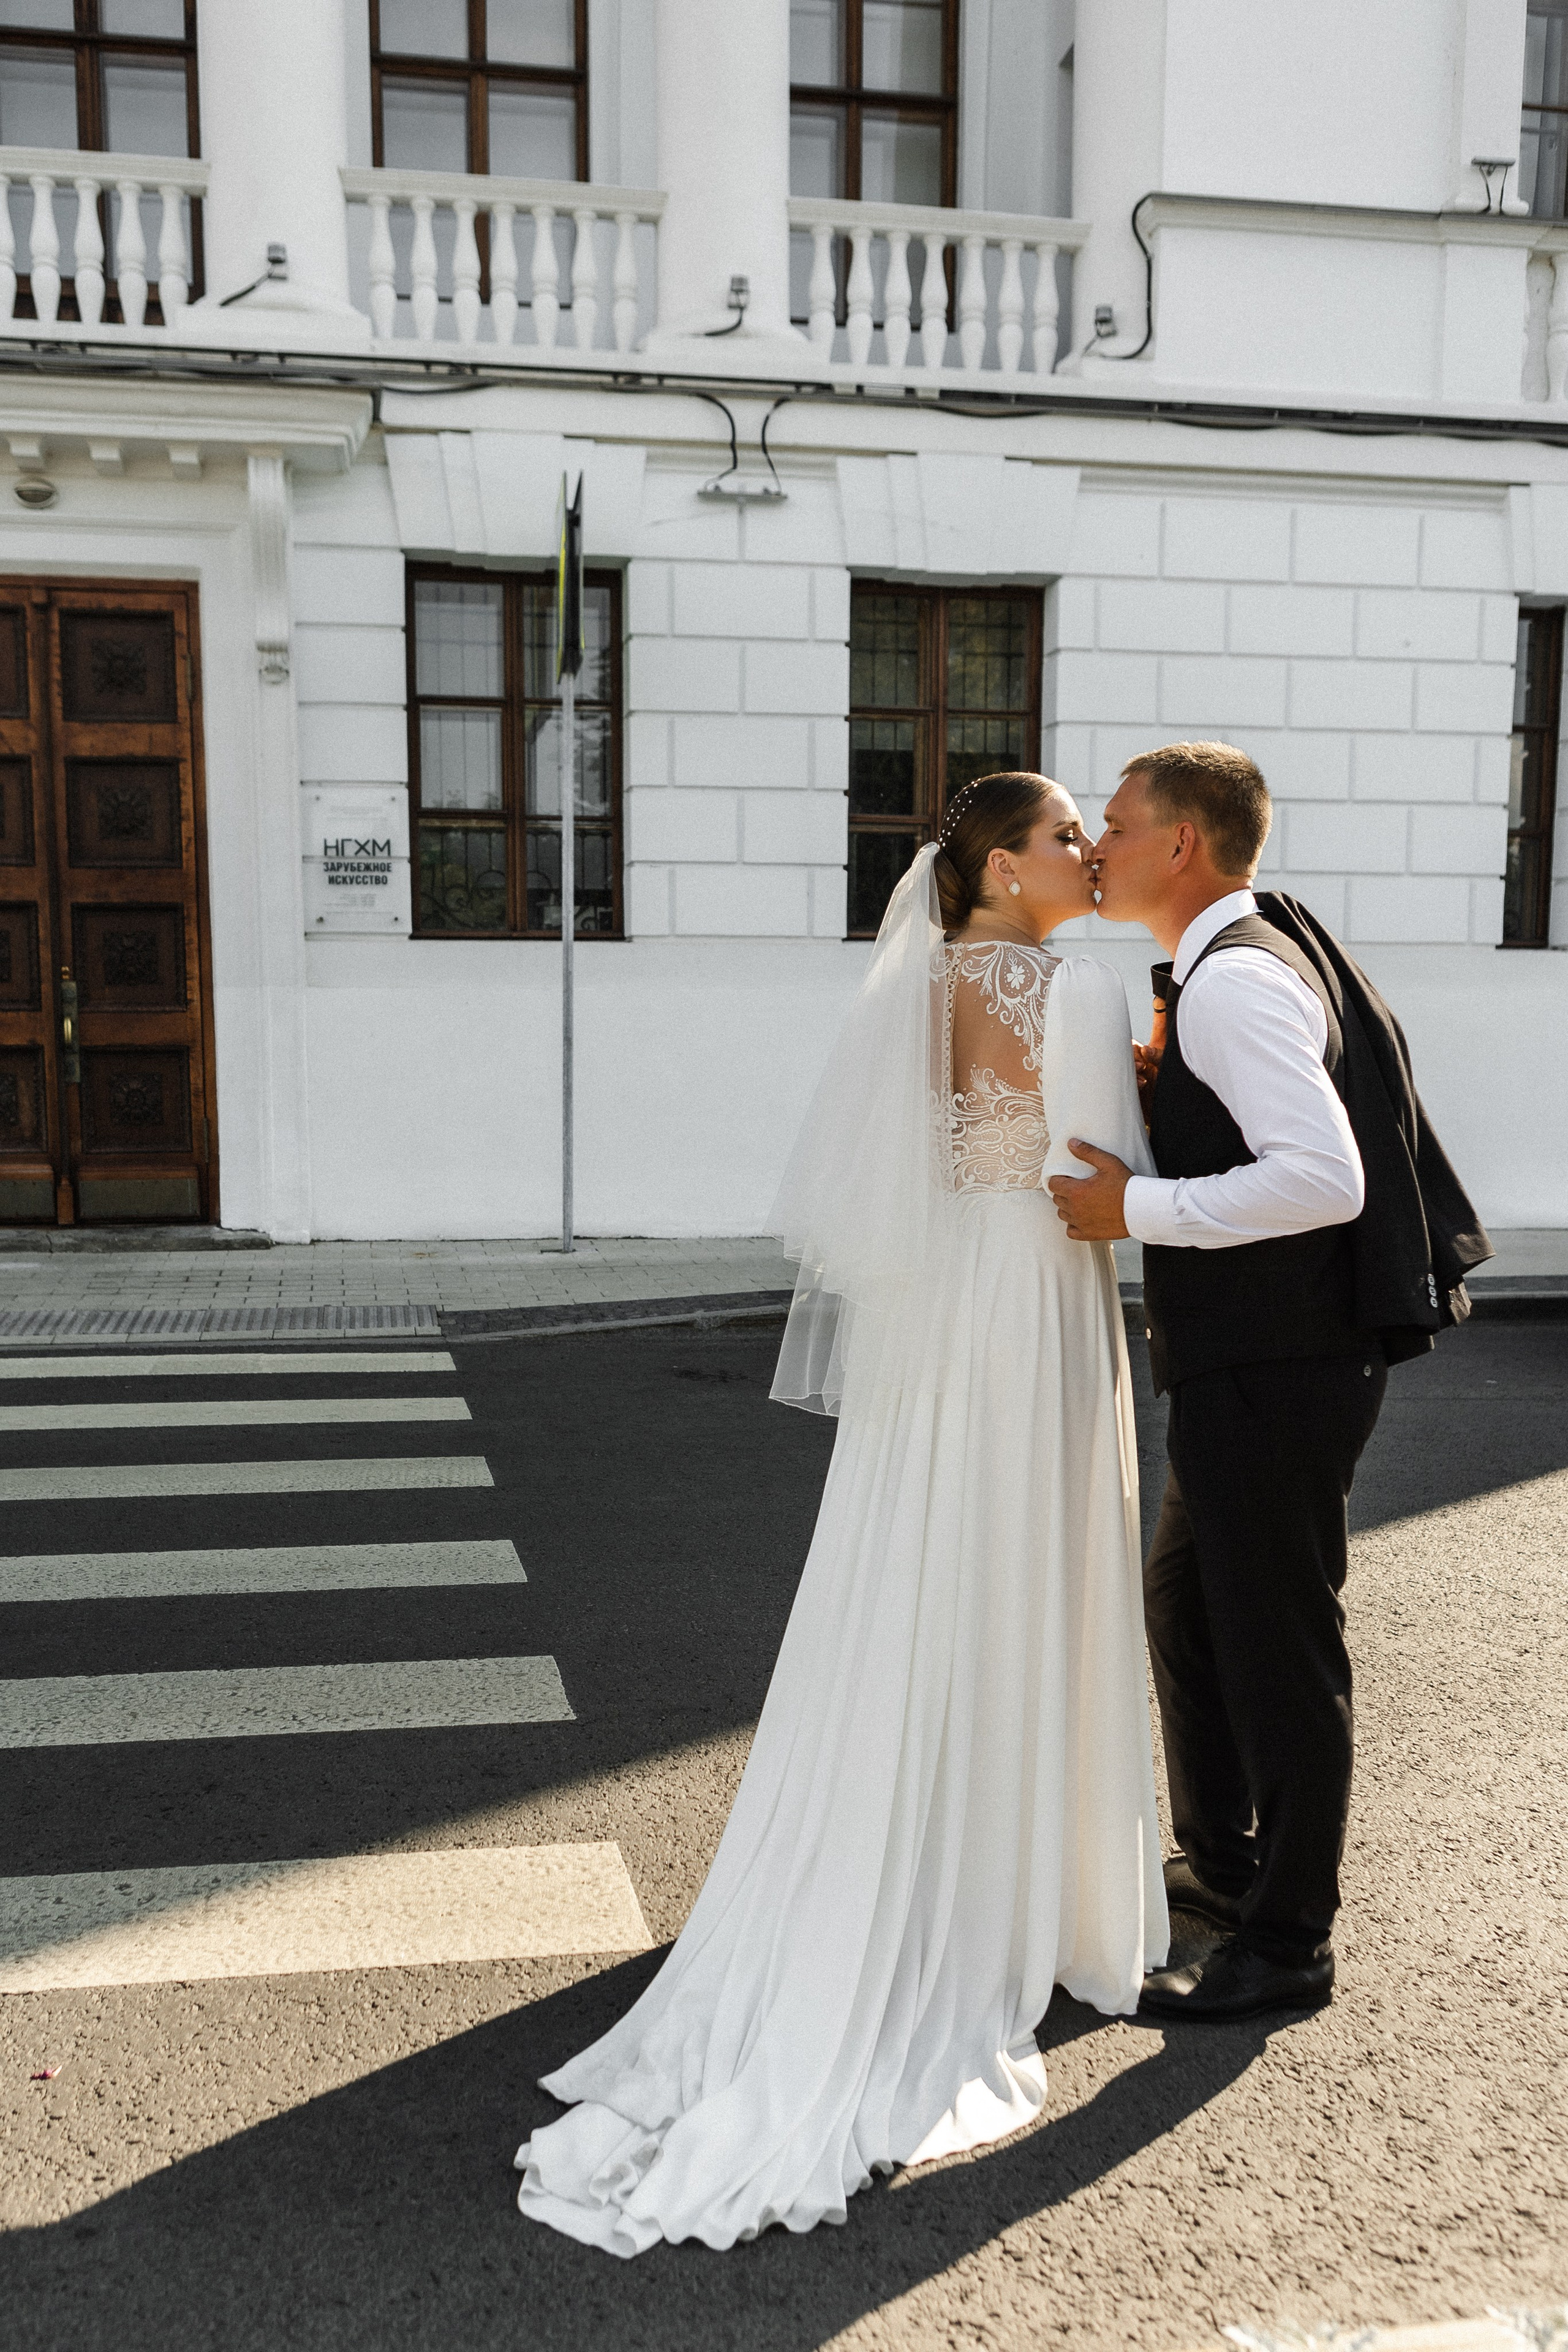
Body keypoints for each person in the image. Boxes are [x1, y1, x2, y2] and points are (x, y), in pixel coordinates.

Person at [514, 772, 1169, 2256]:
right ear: (998, 870)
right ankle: (1031, 1898)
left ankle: (926, 1868)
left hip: (955, 1314)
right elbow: (1079, 1169)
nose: (1086, 851)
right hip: (1031, 1300)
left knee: (933, 1579)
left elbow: (947, 1159)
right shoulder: (1055, 985)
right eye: (1063, 835)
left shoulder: (936, 983)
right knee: (1021, 1578)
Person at [1049, 740, 1488, 2024]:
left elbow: (1321, 1179)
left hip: (1279, 1366)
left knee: (1276, 1645)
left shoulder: (1234, 983)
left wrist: (1135, 1207)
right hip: (1263, 1357)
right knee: (1188, 1609)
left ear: (1181, 843)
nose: (1097, 847)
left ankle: (1288, 1938)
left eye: (1115, 825)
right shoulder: (1245, 957)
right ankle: (1230, 1863)